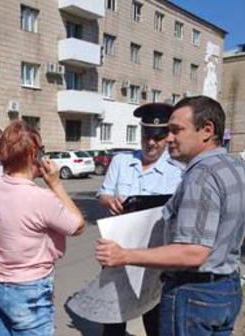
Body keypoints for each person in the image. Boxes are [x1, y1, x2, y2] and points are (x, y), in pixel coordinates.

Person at [95, 96, 245, 335]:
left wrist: (124, 255)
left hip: (194, 293)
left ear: (207, 130)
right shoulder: (244, 171)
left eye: (175, 130)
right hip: (227, 290)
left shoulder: (199, 176)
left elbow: (193, 252)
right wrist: (213, 243)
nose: (168, 138)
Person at [67, 103, 183, 336]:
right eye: (147, 136)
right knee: (114, 310)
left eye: (158, 137)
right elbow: (104, 193)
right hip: (117, 247)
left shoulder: (178, 171)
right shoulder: (121, 162)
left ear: (167, 136)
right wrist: (109, 200)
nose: (151, 143)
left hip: (154, 251)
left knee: (153, 312)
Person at [0, 121, 86, 335]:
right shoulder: (41, 198)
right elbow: (78, 226)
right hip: (28, 289)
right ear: (32, 154)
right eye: (41, 151)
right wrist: (56, 184)